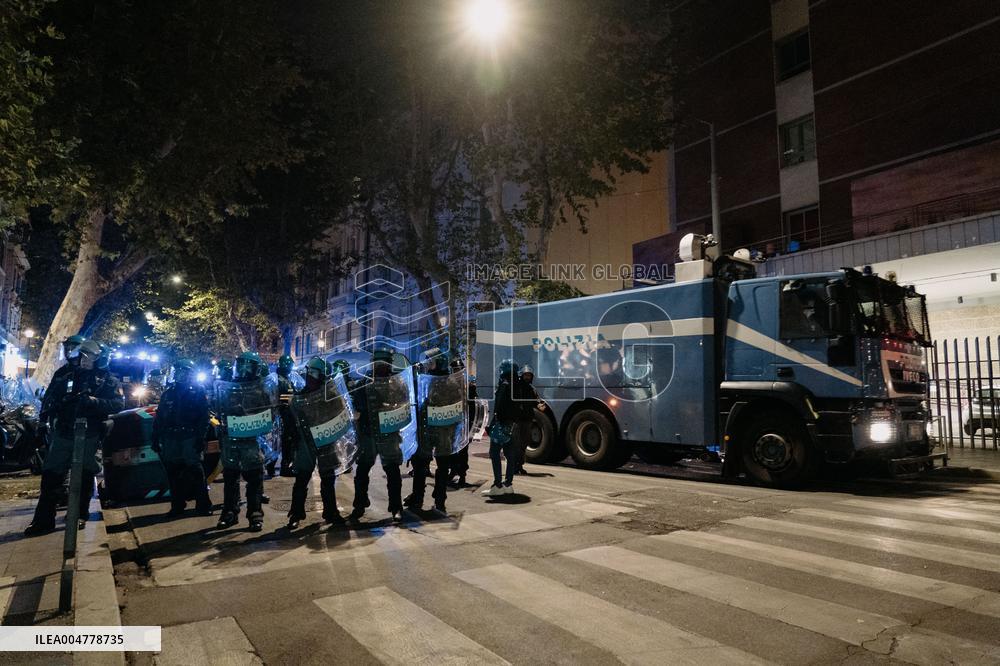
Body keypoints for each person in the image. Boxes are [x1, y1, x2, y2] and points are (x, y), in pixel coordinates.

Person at [25, 339, 124, 536]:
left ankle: (79, 514)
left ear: (99, 359)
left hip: (89, 434)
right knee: (51, 476)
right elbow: (49, 398)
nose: (83, 358)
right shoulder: (65, 374)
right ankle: (43, 521)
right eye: (83, 354)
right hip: (63, 432)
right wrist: (43, 422)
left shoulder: (107, 380)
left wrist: (94, 402)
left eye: (89, 356)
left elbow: (117, 405)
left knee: (85, 476)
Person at [286, 358, 348, 528]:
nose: (310, 377)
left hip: (325, 441)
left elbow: (340, 414)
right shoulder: (299, 396)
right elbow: (292, 420)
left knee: (328, 479)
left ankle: (330, 512)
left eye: (314, 373)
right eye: (309, 373)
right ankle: (296, 513)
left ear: (322, 376)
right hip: (306, 442)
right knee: (302, 479)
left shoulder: (331, 394)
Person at [350, 349, 408, 521]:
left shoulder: (397, 384)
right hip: (369, 433)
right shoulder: (363, 383)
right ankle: (359, 504)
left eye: (384, 364)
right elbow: (357, 408)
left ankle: (396, 507)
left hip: (388, 433)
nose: (381, 367)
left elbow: (403, 405)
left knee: (392, 472)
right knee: (362, 471)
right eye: (378, 364)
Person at [216, 351, 270, 532]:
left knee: (254, 480)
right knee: (230, 479)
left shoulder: (260, 389)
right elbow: (218, 411)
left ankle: (255, 514)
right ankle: (229, 513)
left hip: (251, 441)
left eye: (248, 366)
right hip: (231, 440)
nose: (243, 370)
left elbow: (268, 414)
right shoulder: (227, 388)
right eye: (241, 366)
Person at [152, 359, 212, 518]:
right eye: (176, 371)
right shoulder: (168, 393)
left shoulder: (197, 391)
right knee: (173, 473)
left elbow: (204, 417)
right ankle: (177, 505)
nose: (177, 374)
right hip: (171, 437)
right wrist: (155, 436)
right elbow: (160, 417)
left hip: (189, 436)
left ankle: (203, 504)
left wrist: (200, 438)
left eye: (181, 371)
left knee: (196, 471)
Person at [406, 350, 463, 514]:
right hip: (440, 432)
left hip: (433, 431)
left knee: (424, 466)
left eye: (431, 362)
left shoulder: (436, 383)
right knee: (432, 466)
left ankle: (424, 499)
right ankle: (435, 500)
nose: (429, 365)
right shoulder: (446, 382)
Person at [482, 359, 520, 497]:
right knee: (510, 455)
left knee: (494, 453)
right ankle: (508, 484)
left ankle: (497, 485)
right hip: (514, 425)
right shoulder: (519, 385)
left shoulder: (504, 385)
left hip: (502, 424)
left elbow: (499, 408)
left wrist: (492, 424)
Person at [273, 354, 299, 477]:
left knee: (282, 442)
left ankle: (276, 466)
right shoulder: (281, 380)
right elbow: (286, 399)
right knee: (286, 441)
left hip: (285, 415)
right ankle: (285, 467)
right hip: (285, 415)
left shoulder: (283, 379)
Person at [514, 365, 541, 475]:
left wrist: (540, 405)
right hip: (518, 419)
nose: (527, 377)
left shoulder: (532, 389)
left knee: (524, 443)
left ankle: (520, 465)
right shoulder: (516, 388)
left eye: (529, 375)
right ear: (522, 375)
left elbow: (537, 401)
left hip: (527, 419)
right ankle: (514, 466)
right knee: (516, 444)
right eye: (526, 375)